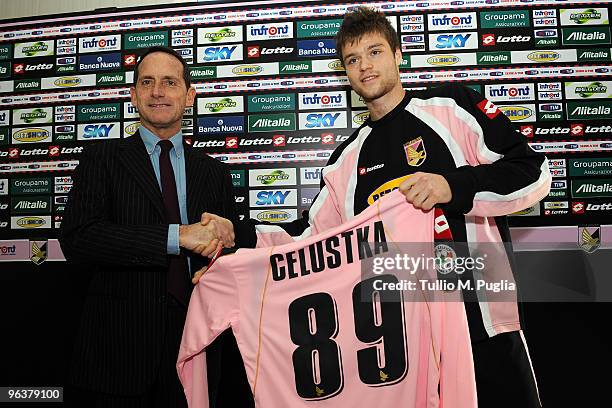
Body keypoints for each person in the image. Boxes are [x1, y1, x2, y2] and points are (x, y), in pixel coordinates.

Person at [199, 7, 551, 407]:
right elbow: (308, 239)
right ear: (344, 72)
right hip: (401, 341)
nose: (365, 66)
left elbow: (533, 172)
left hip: (480, 322)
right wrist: (236, 235)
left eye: (375, 51)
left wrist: (453, 185)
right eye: (353, 59)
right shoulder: (346, 160)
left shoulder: (451, 108)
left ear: (399, 54)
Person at [59, 46, 250, 407]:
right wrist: (177, 236)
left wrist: (224, 248)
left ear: (189, 95)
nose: (158, 92)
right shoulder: (102, 159)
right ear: (133, 95)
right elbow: (79, 239)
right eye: (147, 82)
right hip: (118, 351)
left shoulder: (214, 172)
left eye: (169, 82)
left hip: (197, 345)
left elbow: (230, 255)